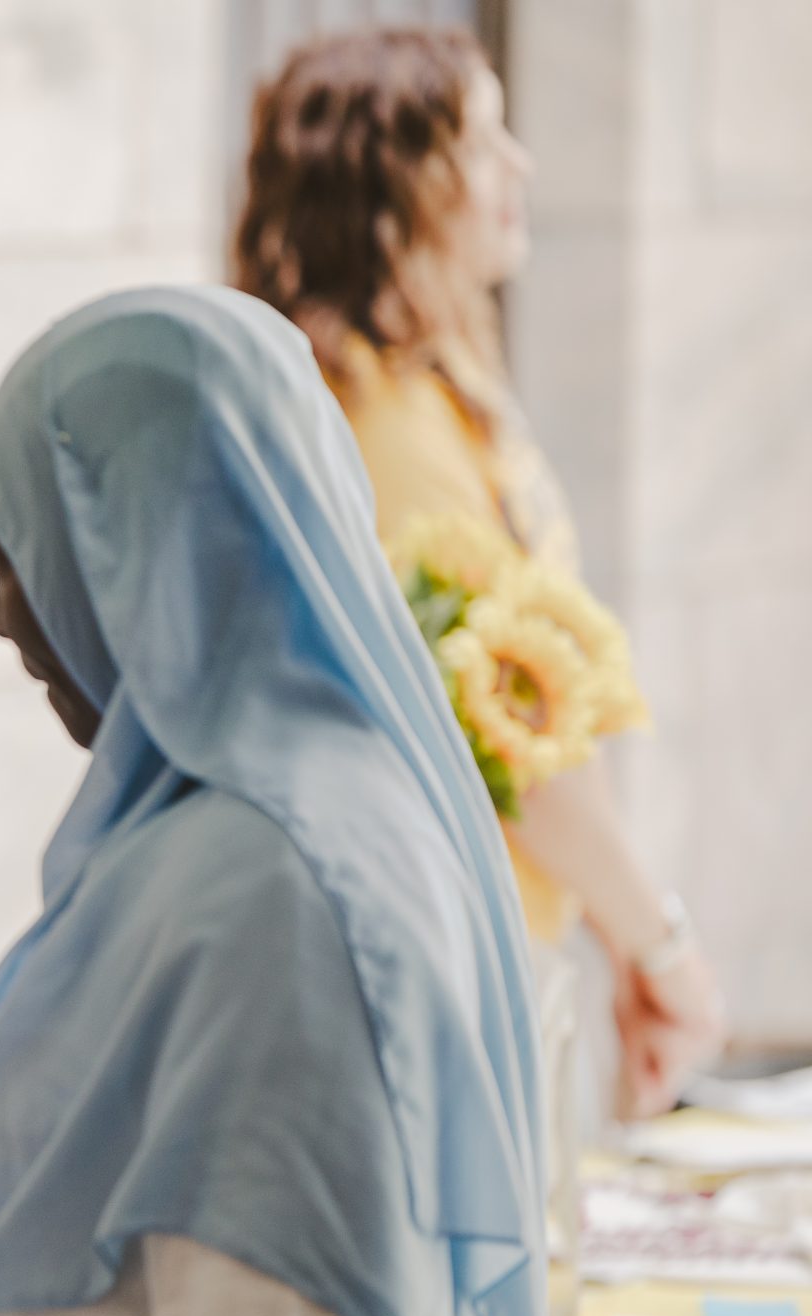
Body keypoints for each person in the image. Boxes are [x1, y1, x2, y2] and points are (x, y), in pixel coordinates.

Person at [0, 286, 562, 1316]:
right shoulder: (259, 833)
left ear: (156, 528)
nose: (12, 616)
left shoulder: (278, 884)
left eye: (18, 545)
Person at [234, 27, 722, 1123]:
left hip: (480, 955)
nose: (522, 168)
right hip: (439, 976)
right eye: (484, 139)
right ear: (398, 183)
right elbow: (515, 755)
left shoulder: (431, 396)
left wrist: (620, 940)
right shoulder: (386, 430)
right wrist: (664, 948)